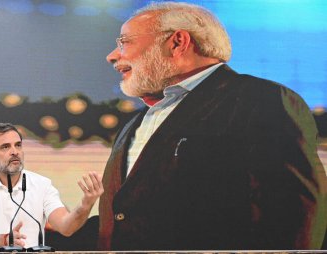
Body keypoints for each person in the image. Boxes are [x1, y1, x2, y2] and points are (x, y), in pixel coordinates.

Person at [98, 1, 327, 251]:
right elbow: (128, 216)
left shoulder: (261, 100)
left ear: (177, 42)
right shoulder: (138, 121)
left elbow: (295, 213)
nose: (112, 56)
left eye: (125, 42)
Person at [0, 122, 104, 251]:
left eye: (18, 145)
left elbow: (66, 227)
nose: (14, 151)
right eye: (5, 147)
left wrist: (85, 205)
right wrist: (3, 240)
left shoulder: (42, 184)